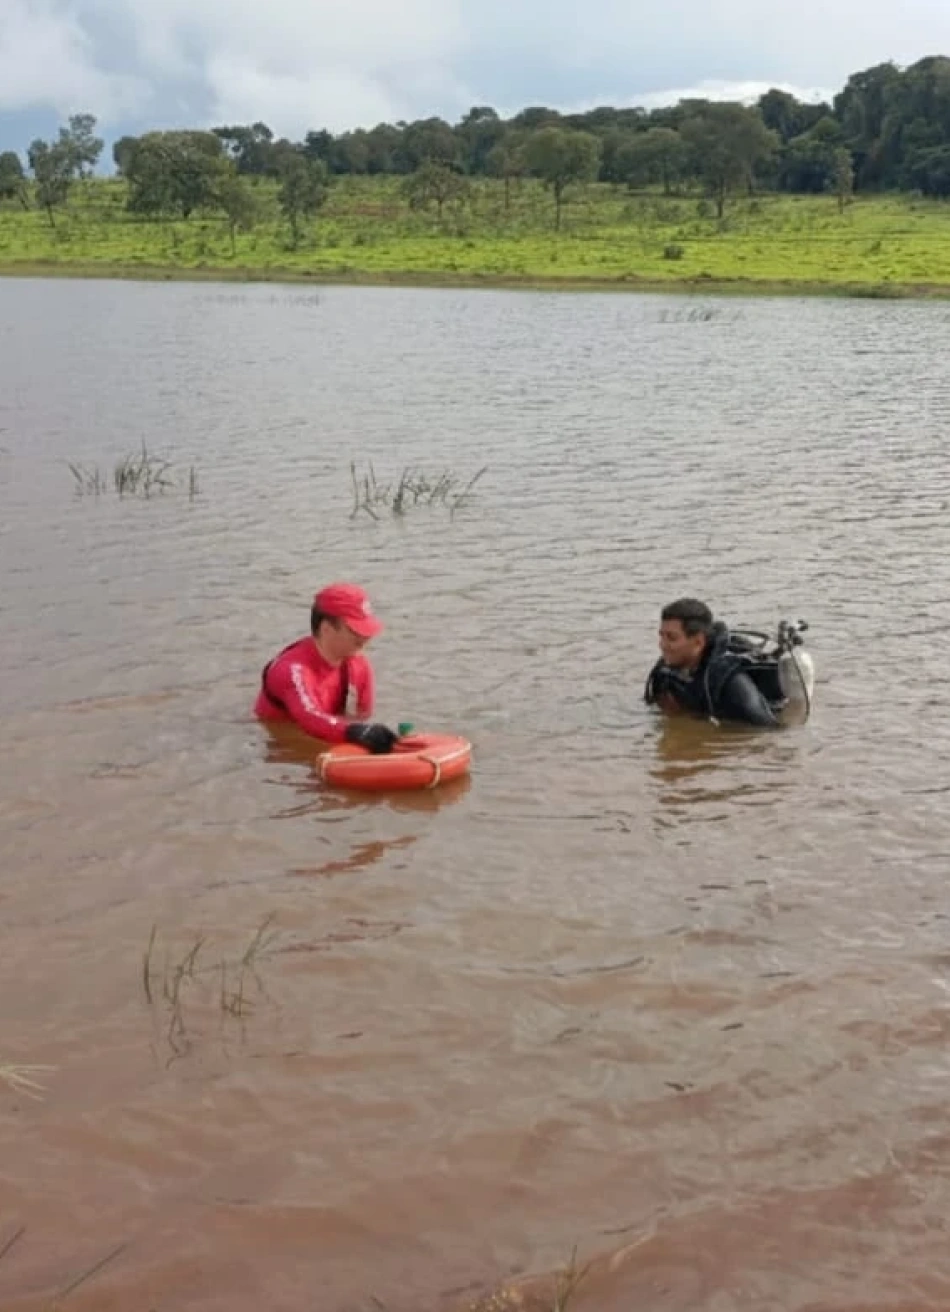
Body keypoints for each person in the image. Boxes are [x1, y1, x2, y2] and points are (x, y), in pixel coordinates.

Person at [254, 582, 399, 753]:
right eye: (356, 630)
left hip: (333, 732)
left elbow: (362, 715)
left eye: (367, 629)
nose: (366, 637)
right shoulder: (291, 670)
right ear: (326, 629)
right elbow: (309, 717)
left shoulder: (359, 665)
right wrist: (354, 732)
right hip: (285, 745)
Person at [644, 597, 784, 728]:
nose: (662, 645)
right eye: (661, 636)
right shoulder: (666, 669)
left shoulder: (731, 682)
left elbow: (768, 730)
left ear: (698, 642)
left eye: (671, 638)